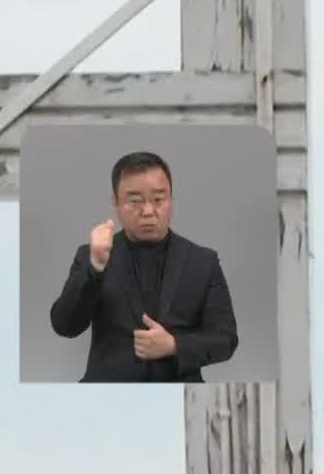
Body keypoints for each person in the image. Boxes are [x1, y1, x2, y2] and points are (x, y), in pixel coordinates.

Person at [47, 149, 239, 382]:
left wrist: (174, 345)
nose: (148, 211)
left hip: (179, 397)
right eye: (135, 201)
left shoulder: (202, 261)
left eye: (159, 199)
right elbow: (64, 325)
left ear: (171, 199)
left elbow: (226, 339)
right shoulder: (92, 255)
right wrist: (95, 267)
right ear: (115, 203)